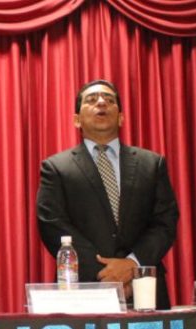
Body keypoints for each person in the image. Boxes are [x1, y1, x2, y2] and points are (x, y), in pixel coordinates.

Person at [36, 79, 179, 309]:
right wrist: (106, 273)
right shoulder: (56, 168)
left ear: (121, 117)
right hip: (83, 288)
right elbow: (52, 224)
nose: (101, 102)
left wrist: (132, 265)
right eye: (92, 100)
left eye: (109, 99)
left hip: (143, 286)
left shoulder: (151, 164)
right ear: (76, 119)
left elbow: (165, 222)